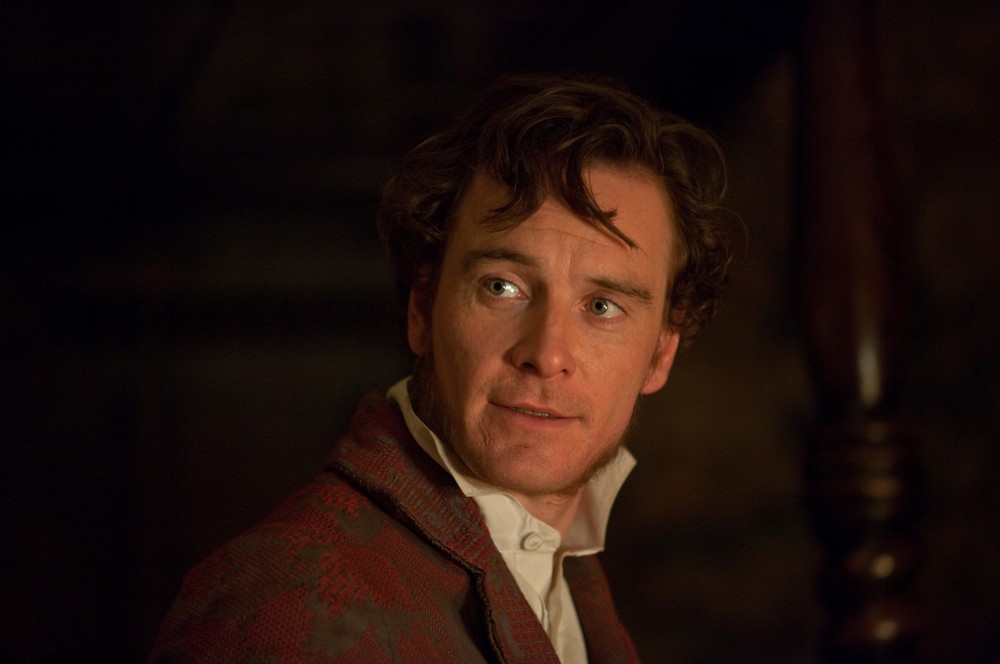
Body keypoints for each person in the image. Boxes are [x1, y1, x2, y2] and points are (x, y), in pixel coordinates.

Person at [151, 73, 734, 663]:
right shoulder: (281, 602)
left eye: (603, 306)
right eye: (502, 287)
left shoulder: (568, 575)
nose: (547, 354)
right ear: (423, 310)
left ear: (660, 355)